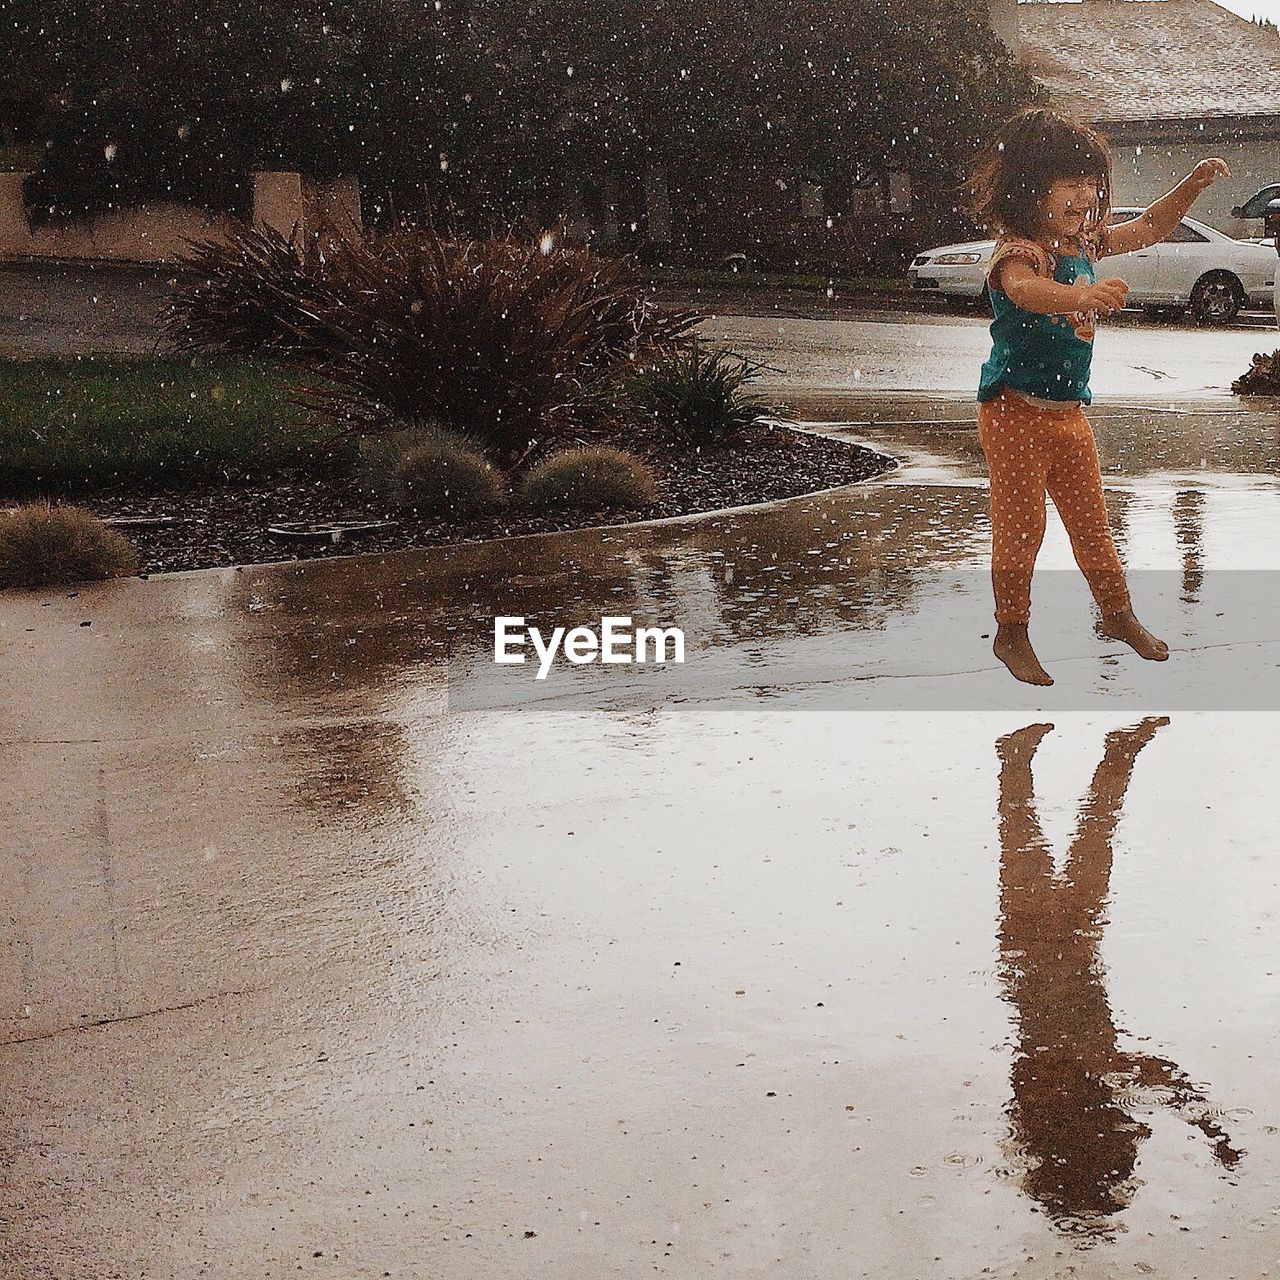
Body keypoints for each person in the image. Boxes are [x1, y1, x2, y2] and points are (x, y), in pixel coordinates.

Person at [965, 107, 1230, 685]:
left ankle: (1117, 615)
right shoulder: (1023, 249)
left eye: (1092, 185)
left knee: (1093, 524)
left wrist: (1192, 183)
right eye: (1072, 185)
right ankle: (1011, 632)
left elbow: (1149, 229)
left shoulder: (1084, 242)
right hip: (1012, 411)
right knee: (1023, 526)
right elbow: (1025, 291)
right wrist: (1079, 295)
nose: (1086, 197)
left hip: (1067, 415)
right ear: (1030, 190)